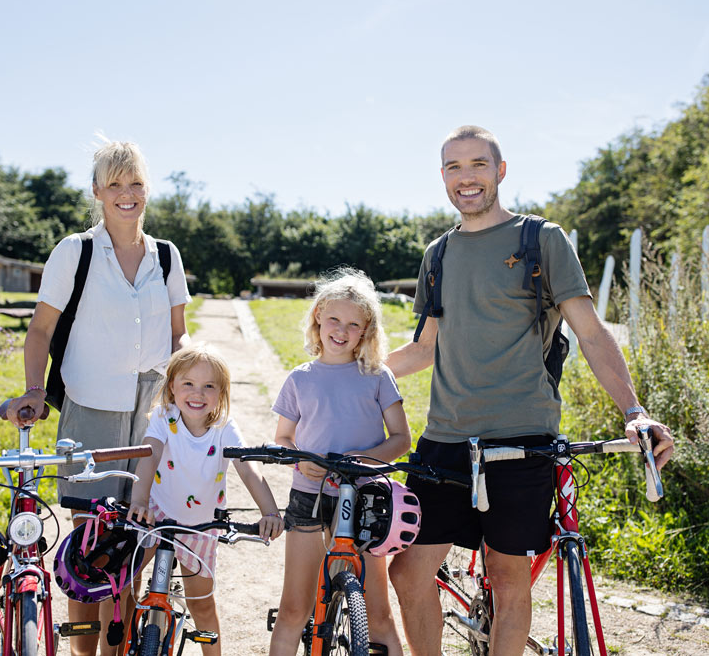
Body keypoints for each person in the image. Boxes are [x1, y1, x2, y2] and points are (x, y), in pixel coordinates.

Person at [385, 125, 676, 656]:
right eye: (453, 167)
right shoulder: (439, 253)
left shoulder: (540, 239)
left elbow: (591, 333)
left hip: (522, 439)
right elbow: (425, 348)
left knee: (507, 577)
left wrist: (634, 411)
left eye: (478, 164)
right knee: (407, 572)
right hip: (445, 438)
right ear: (442, 176)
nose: (466, 177)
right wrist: (348, 376)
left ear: (500, 170)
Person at [4, 138, 191, 656]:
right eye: (115, 184)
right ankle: (84, 652)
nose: (126, 193)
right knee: (89, 548)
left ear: (146, 190)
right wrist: (35, 390)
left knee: (135, 543)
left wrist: (195, 387)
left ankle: (117, 649)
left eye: (136, 183)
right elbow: (41, 330)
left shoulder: (167, 256)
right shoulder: (75, 251)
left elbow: (179, 336)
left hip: (153, 413)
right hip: (91, 407)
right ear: (97, 191)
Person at [268, 267, 412, 656]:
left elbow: (401, 438)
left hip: (364, 497)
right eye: (334, 318)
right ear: (318, 315)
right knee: (294, 608)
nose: (341, 330)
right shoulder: (300, 378)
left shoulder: (377, 376)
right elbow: (283, 439)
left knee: (378, 614)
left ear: (366, 331)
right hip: (309, 495)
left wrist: (361, 460)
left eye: (353, 324)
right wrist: (301, 461)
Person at [127, 342, 284, 656]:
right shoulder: (164, 417)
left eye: (208, 386)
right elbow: (150, 454)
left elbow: (247, 466)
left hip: (201, 526)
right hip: (156, 514)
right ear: (172, 386)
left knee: (201, 604)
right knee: (126, 586)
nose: (197, 394)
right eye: (188, 384)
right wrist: (139, 500)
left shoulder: (224, 426)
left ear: (221, 392)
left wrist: (269, 511)